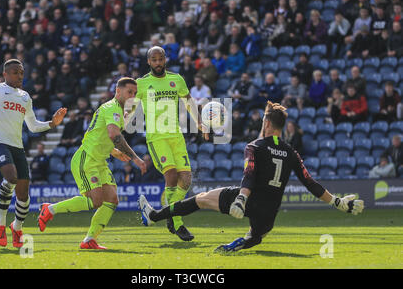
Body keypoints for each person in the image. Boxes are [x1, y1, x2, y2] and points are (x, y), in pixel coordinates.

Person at [139, 101, 364, 252]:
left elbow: (249, 175)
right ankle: (239, 244)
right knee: (257, 236)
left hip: (249, 198)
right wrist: (338, 202)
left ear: (266, 123)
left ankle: (154, 216)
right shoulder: (291, 152)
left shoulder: (254, 146)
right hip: (270, 210)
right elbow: (310, 183)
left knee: (200, 199)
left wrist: (241, 199)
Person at [0, 59, 67, 248]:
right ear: (5, 74)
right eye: (15, 72)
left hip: (17, 146)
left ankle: (17, 227)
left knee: (23, 194)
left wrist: (52, 124)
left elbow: (32, 126)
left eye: (21, 72)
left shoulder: (25, 97)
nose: (19, 76)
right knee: (11, 178)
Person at [38, 77, 147, 250]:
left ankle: (89, 239)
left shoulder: (117, 110)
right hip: (87, 159)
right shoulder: (112, 108)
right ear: (118, 92)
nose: (132, 96)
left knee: (112, 200)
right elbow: (114, 135)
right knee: (95, 201)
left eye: (134, 93)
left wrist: (114, 151)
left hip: (100, 161)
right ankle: (50, 209)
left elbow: (100, 134)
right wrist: (135, 158)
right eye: (129, 92)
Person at [130, 46, 209, 242]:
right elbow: (129, 107)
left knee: (186, 179)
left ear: (165, 60)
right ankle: (177, 222)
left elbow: (189, 102)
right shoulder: (141, 83)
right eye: (153, 60)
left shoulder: (177, 79)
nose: (157, 63)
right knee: (171, 175)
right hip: (157, 138)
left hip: (176, 136)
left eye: (160, 59)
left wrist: (199, 122)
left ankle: (167, 214)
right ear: (148, 62)